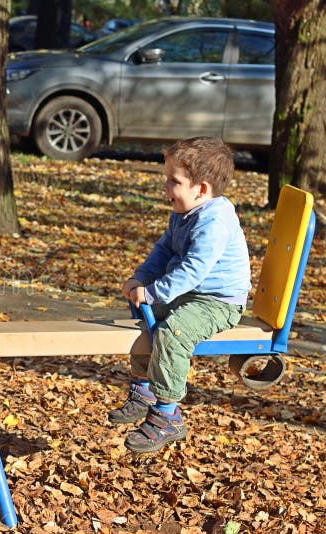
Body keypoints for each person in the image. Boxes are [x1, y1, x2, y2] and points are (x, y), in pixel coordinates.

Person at [109, 137, 251, 453]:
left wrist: (155, 292)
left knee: (175, 330)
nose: (165, 187)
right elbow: (163, 251)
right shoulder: (183, 213)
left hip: (217, 302)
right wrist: (141, 280)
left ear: (201, 189)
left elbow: (193, 270)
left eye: (174, 181)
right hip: (190, 294)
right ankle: (145, 388)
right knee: (143, 314)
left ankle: (167, 414)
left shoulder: (214, 220)